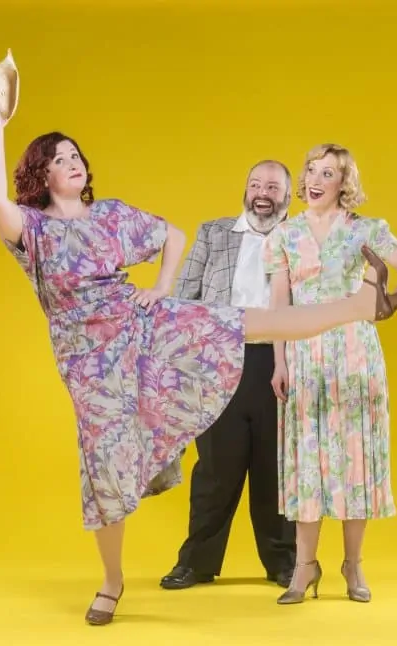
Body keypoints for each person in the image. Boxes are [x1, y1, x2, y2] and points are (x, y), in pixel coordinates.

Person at [0, 89, 397, 625]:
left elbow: (168, 237)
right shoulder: (31, 229)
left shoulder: (110, 215)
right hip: (91, 363)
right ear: (41, 174)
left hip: (145, 328)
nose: (73, 163)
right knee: (105, 466)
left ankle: (362, 304)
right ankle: (112, 582)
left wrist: (159, 287)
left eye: (76, 155)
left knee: (247, 321)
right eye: (59, 159)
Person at [263, 143, 397, 605]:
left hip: (355, 356)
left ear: (344, 183)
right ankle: (303, 568)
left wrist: (386, 306)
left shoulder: (366, 230)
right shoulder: (284, 235)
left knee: (355, 459)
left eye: (329, 173)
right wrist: (278, 360)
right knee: (307, 463)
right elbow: (280, 305)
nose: (316, 179)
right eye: (312, 170)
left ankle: (353, 566)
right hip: (303, 355)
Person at [160, 160, 296, 591]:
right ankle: (196, 561)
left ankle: (284, 563)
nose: (263, 192)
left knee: (276, 467)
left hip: (280, 361)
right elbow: (182, 298)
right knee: (216, 468)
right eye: (255, 184)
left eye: (273, 186)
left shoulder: (300, 240)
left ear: (288, 197)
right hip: (220, 361)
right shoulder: (214, 234)